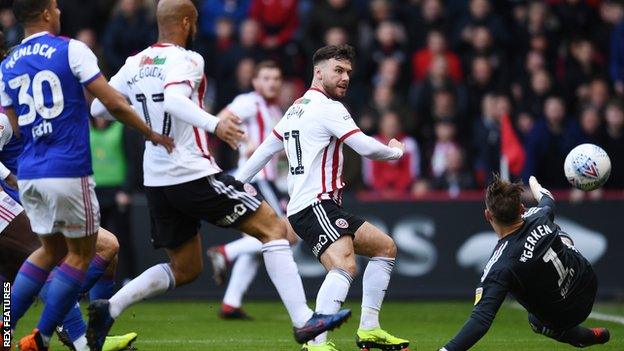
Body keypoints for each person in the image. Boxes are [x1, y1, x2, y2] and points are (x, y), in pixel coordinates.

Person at [88, 1, 350, 350]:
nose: (196, 27)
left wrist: (144, 122)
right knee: (274, 229)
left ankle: (110, 307)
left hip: (157, 180)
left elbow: (98, 107)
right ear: (185, 22)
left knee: (185, 268)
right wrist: (215, 124)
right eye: (195, 21)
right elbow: (173, 99)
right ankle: (304, 321)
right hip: (192, 172)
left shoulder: (134, 63)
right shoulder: (188, 59)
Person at [0, 0, 173, 350]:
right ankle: (59, 334)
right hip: (58, 171)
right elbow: (111, 102)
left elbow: (14, 125)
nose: (61, 11)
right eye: (56, 6)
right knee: (81, 255)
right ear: (47, 13)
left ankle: (60, 334)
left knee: (41, 260)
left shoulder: (9, 67)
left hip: (31, 176)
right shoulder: (70, 49)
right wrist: (150, 132)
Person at [236, 44, 409, 351]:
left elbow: (263, 151)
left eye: (348, 73)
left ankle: (369, 328)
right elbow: (367, 148)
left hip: (315, 206)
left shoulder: (295, 108)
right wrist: (395, 151)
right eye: (338, 71)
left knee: (385, 248)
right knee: (344, 264)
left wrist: (234, 185)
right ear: (319, 72)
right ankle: (315, 342)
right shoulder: (328, 107)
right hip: (315, 204)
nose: (345, 78)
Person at [438, 175, 611, 351]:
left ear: (488, 215)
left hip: (564, 317)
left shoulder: (500, 265)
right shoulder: (540, 214)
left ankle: (583, 337)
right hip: (588, 283)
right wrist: (534, 184)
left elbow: (480, 321)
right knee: (558, 233)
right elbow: (547, 198)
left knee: (535, 320)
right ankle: (594, 335)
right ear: (521, 208)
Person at [206, 60, 297, 319]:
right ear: (255, 82)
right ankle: (225, 252)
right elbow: (220, 119)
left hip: (269, 181)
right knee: (286, 234)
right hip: (257, 179)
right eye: (266, 78)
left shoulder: (275, 111)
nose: (272, 83)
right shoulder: (249, 101)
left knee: (260, 239)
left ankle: (230, 304)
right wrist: (242, 140)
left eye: (276, 78)